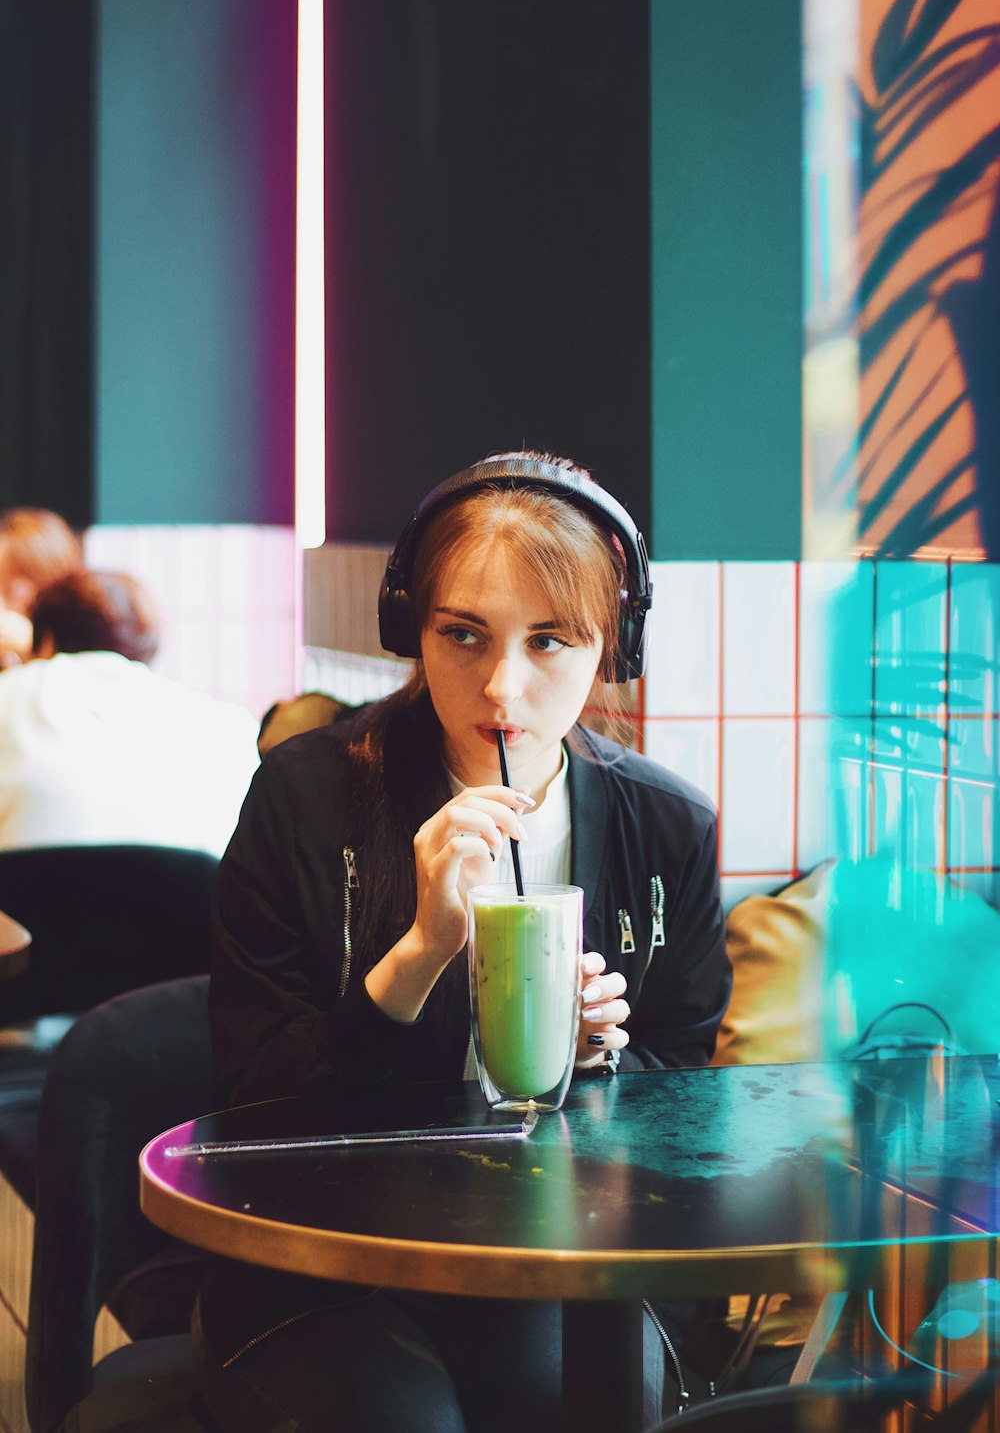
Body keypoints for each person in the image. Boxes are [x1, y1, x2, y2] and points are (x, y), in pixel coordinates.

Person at [198, 452, 732, 1432]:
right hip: (324, 1262)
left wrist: (601, 1059)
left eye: (551, 642)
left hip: (559, 1257)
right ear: (411, 629)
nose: (503, 688)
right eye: (463, 636)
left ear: (609, 648)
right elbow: (250, 1107)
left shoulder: (667, 830)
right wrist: (418, 954)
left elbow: (688, 1109)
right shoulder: (306, 798)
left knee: (571, 1397)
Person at [0, 569, 261, 857]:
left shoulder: (13, 692)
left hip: (25, 896)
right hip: (181, 898)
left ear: (47, 640)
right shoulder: (227, 726)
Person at [0, 507, 83, 668]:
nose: (20, 591)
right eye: (8, 580)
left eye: (27, 574)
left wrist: (32, 647)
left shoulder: (83, 630)